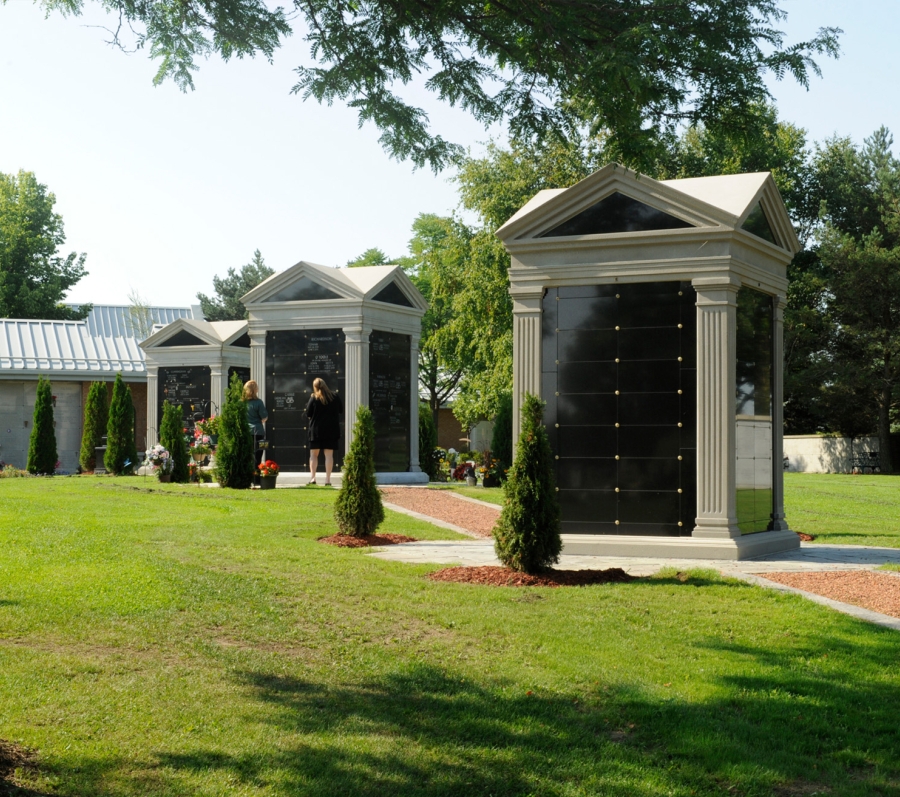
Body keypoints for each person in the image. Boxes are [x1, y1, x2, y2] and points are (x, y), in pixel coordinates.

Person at [306, 377, 342, 486]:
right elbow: (340, 410)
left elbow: (308, 413)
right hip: (331, 429)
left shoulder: (314, 398)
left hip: (316, 429)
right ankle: (327, 479)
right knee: (329, 455)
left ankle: (313, 478)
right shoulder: (335, 397)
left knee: (313, 454)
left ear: (315, 387)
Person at [242, 380, 268, 475]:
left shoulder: (242, 403)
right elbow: (264, 417)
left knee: (247, 455)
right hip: (258, 432)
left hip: (246, 431)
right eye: (256, 387)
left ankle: (247, 475)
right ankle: (256, 476)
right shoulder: (259, 402)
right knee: (258, 455)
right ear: (254, 390)